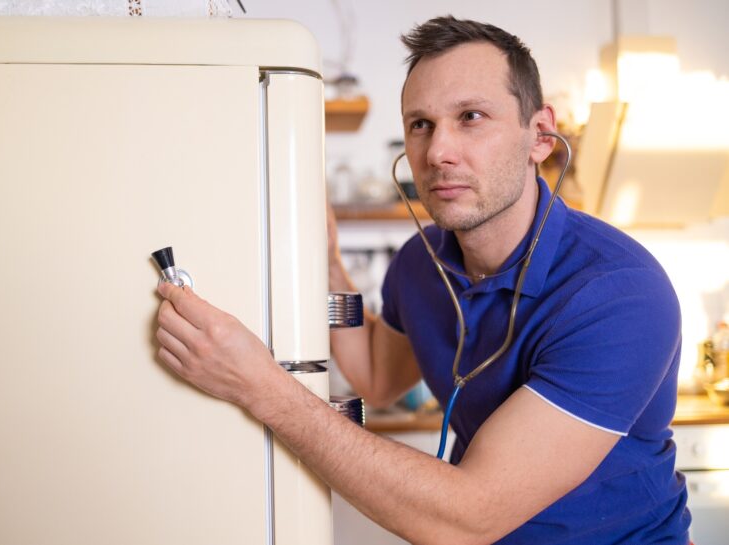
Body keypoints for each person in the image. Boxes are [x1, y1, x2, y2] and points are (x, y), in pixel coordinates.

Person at [155, 16, 690, 545]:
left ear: (540, 135)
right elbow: (376, 378)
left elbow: (468, 517)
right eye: (420, 124)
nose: (437, 153)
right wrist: (329, 266)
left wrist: (258, 384)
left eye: (471, 116)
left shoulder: (619, 292)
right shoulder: (421, 261)